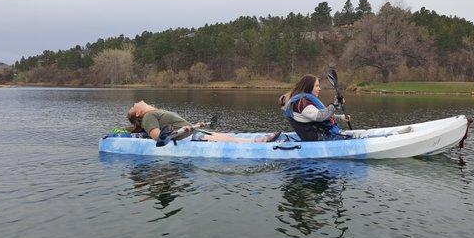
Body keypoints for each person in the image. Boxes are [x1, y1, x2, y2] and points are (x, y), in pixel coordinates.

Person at [281, 74, 411, 141]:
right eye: (317, 86)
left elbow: (316, 116)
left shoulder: (304, 101)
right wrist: (335, 105)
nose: (319, 88)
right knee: (357, 137)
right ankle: (394, 136)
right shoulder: (301, 103)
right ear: (309, 87)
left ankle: (391, 134)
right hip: (318, 138)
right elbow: (319, 117)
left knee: (359, 135)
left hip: (320, 135)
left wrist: (340, 116)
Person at [127, 101, 281, 143]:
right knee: (226, 139)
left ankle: (256, 140)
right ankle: (258, 142)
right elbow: (158, 137)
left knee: (226, 136)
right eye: (134, 106)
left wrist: (195, 125)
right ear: (139, 113)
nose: (136, 103)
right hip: (189, 138)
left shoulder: (154, 112)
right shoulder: (147, 117)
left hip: (194, 133)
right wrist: (180, 132)